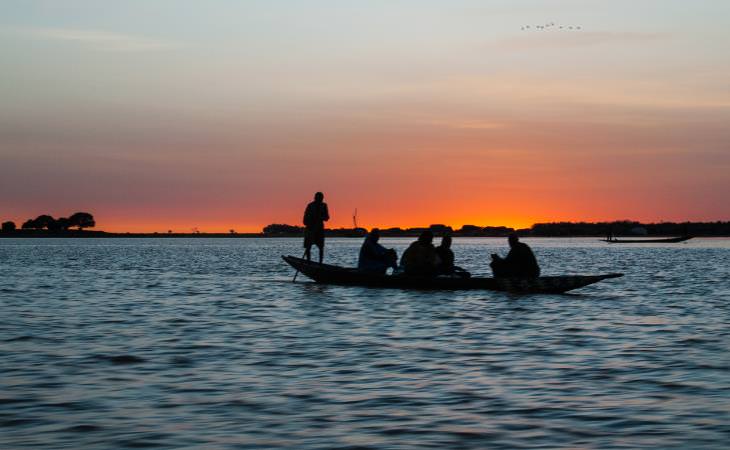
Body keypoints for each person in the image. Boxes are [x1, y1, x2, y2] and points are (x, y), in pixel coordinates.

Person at [303, 192, 329, 263]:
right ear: (315, 198)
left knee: (321, 247)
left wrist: (320, 217)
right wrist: (310, 221)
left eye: (321, 198)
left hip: (319, 229)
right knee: (308, 247)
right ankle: (308, 261)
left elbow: (327, 217)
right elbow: (305, 219)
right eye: (318, 198)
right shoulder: (310, 206)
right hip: (310, 229)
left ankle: (320, 263)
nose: (320, 200)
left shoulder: (324, 205)